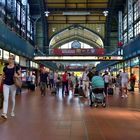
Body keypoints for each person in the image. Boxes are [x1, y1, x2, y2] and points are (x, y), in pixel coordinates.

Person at [0, 55, 21, 119]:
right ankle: (4, 113)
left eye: (11, 59)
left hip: (13, 85)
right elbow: (2, 76)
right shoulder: (5, 68)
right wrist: (0, 82)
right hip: (6, 84)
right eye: (9, 58)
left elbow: (20, 75)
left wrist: (17, 76)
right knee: (5, 99)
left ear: (13, 60)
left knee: (12, 99)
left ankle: (12, 111)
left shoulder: (16, 67)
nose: (10, 60)